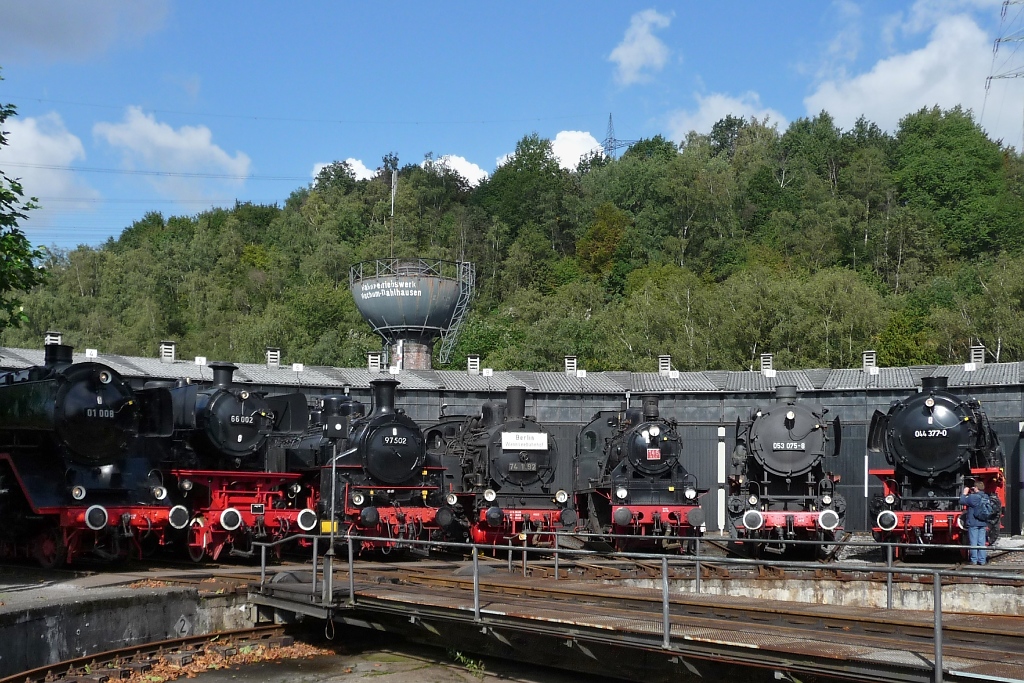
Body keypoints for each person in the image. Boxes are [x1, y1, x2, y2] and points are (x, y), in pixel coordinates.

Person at [960, 482, 989, 565]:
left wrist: (964, 493)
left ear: (976, 488)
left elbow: (962, 501)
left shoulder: (973, 497)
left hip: (973, 523)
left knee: (973, 542)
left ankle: (974, 560)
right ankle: (982, 560)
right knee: (981, 542)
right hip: (983, 522)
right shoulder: (986, 497)